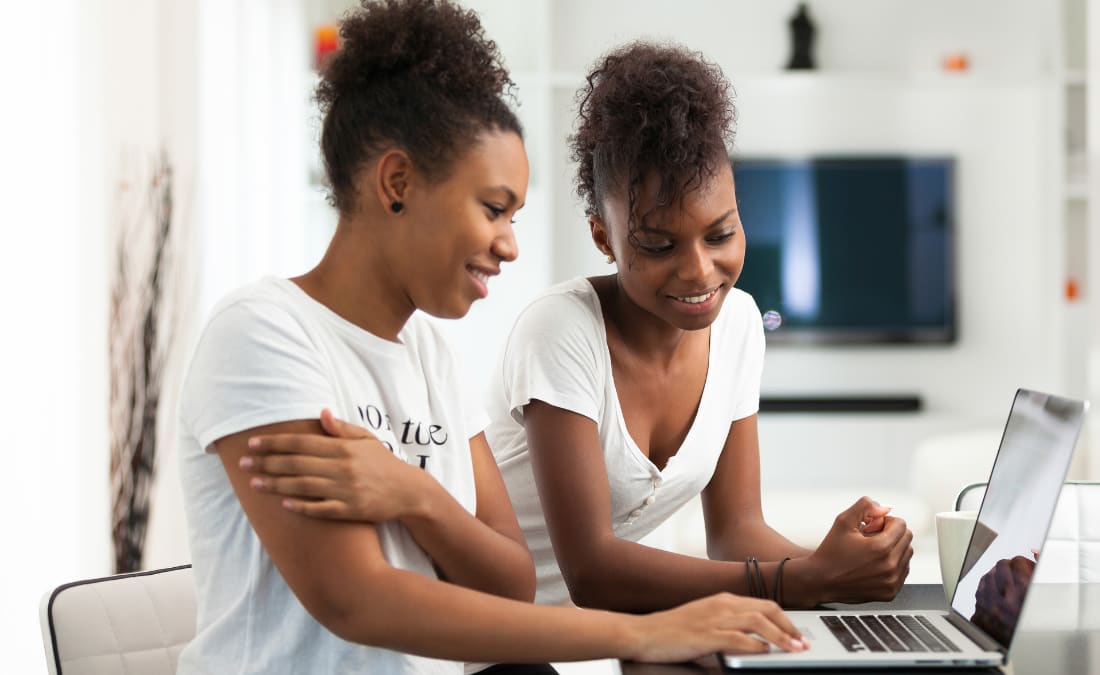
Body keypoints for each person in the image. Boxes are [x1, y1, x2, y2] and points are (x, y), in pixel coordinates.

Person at [175, 2, 803, 673]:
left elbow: (510, 578)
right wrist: (640, 634)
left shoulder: (429, 359)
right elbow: (355, 599)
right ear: (397, 183)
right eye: (493, 208)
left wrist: (413, 493)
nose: (508, 245)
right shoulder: (265, 332)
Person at [243, 41, 911, 612]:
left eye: (722, 233)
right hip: (517, 638)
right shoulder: (561, 333)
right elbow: (588, 568)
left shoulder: (738, 326)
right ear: (604, 237)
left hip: (615, 634)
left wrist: (838, 567)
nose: (699, 270)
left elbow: (736, 532)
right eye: (657, 244)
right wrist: (802, 581)